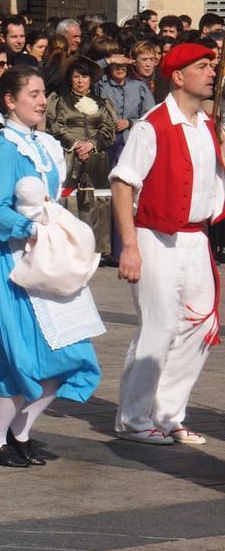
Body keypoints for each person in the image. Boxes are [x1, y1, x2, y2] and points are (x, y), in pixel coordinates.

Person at [0, 67, 103, 467]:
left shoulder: (42, 145)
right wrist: (29, 229)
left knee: (72, 352)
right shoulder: (3, 148)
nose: (42, 100)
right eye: (33, 93)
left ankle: (19, 432)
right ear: (10, 100)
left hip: (46, 260)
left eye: (43, 92)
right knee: (25, 357)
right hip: (12, 263)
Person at [111, 43, 225, 446]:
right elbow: (122, 183)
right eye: (202, 66)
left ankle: (167, 413)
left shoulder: (208, 125)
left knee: (200, 325)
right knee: (158, 327)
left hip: (196, 238)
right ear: (178, 76)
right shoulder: (152, 125)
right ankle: (133, 418)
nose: (211, 72)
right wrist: (129, 246)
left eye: (212, 66)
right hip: (156, 236)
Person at [46, 56, 117, 257]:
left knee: (97, 200)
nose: (80, 81)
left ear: (90, 79)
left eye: (84, 77)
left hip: (96, 157)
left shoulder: (102, 103)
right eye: (76, 76)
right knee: (69, 199)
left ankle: (97, 248)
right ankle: (68, 247)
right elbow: (55, 127)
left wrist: (92, 145)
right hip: (70, 156)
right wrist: (76, 145)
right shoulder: (59, 101)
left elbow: (108, 128)